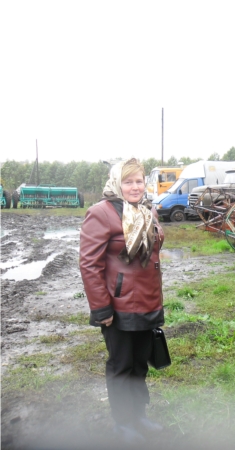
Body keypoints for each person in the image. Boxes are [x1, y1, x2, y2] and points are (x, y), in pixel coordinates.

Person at [79, 158, 165, 445]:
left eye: (139, 180)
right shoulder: (101, 213)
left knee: (140, 363)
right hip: (119, 306)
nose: (135, 186)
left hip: (148, 302)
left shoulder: (147, 210)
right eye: (128, 181)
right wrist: (101, 307)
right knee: (122, 365)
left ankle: (139, 414)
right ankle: (122, 422)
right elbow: (89, 265)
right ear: (117, 183)